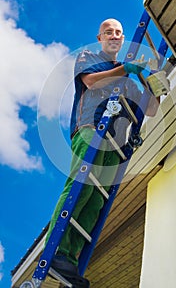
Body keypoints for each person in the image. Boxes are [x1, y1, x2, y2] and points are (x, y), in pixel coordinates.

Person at [45, 18, 159, 287]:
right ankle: (56, 252)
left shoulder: (127, 80)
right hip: (90, 128)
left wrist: (154, 86)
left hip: (115, 144)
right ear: (99, 37)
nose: (114, 36)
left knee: (96, 201)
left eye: (119, 33)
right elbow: (91, 82)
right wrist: (124, 69)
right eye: (109, 32)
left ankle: (68, 262)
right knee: (81, 186)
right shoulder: (89, 57)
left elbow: (150, 110)